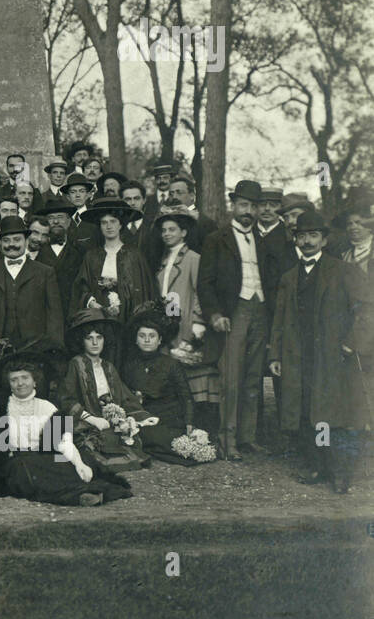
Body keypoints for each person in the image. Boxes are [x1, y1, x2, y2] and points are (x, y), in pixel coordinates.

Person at [269, 210, 371, 494]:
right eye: (302, 236)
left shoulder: (343, 271)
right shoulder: (289, 277)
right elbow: (279, 318)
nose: (308, 241)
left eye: (314, 235)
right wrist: (275, 355)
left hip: (333, 356)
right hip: (299, 357)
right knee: (306, 412)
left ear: (324, 240)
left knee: (334, 414)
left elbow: (366, 310)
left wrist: (351, 343)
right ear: (296, 240)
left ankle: (339, 472)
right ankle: (318, 465)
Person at [0, 346, 132, 506]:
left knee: (78, 460)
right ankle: (79, 495)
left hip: (45, 459)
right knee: (22, 468)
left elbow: (63, 443)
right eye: (14, 380)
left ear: (35, 381)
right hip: (17, 463)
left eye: (25, 378)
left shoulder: (47, 407)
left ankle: (81, 493)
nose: (20, 384)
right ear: (9, 384)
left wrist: (79, 464)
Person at [197, 180, 279, 460]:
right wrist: (215, 314)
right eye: (243, 205)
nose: (248, 211)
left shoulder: (263, 240)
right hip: (234, 313)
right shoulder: (216, 239)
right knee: (231, 379)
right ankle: (226, 440)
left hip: (261, 311)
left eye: (253, 206)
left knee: (253, 378)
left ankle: (247, 437)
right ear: (233, 205)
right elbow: (205, 283)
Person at [58, 308, 153, 471]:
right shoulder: (76, 364)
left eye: (99, 338)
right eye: (89, 338)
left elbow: (124, 397)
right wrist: (92, 419)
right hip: (86, 421)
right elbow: (67, 399)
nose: (95, 343)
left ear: (105, 340)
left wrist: (140, 418)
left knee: (134, 439)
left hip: (111, 421)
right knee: (98, 444)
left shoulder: (109, 367)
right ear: (82, 341)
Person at [153, 206, 219, 435]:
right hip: (168, 324)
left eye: (172, 229)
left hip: (187, 323)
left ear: (183, 232)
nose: (167, 234)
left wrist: (199, 324)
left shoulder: (193, 258)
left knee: (192, 375)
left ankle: (200, 430)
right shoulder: (163, 260)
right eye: (164, 230)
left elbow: (200, 292)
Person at [121, 303, 200, 465]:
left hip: (169, 419)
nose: (147, 340)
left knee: (154, 436)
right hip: (143, 418)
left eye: (152, 336)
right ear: (136, 340)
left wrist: (189, 423)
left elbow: (186, 397)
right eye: (142, 336)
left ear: (159, 340)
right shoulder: (129, 365)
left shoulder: (171, 364)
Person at [0, 216, 64, 348]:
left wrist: (53, 346)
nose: (12, 244)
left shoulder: (45, 272)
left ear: (26, 241)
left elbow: (54, 314)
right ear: (0, 243)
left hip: (35, 345)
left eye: (17, 239)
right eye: (6, 240)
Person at [70, 197, 154, 330]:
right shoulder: (91, 256)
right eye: (104, 223)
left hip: (128, 318)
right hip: (98, 318)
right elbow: (82, 286)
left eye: (113, 222)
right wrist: (91, 302)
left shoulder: (134, 255)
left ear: (120, 225)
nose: (109, 226)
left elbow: (143, 291)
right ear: (100, 226)